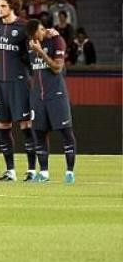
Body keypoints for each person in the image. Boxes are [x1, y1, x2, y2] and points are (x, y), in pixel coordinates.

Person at [26, 19, 76, 184]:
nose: (37, 38)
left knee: (65, 132)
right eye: (33, 37)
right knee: (39, 134)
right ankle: (44, 173)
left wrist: (40, 52)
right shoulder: (31, 44)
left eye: (38, 34)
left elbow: (57, 68)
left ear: (43, 29)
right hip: (38, 97)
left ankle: (69, 172)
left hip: (56, 94)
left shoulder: (56, 40)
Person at [0, 0, 35, 181]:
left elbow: (33, 53)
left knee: (25, 124)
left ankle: (32, 169)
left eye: (3, 6)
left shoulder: (24, 27)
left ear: (12, 8)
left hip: (19, 82)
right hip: (0, 82)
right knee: (3, 124)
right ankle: (10, 170)